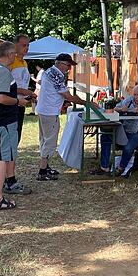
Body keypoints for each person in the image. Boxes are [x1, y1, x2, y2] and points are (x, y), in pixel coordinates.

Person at [0, 41, 31, 210]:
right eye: (14, 54)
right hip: (5, 122)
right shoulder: (4, 73)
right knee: (4, 159)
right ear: (10, 54)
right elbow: (1, 98)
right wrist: (19, 101)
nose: (16, 56)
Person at [34, 53, 95, 181]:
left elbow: (57, 93)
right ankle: (42, 171)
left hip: (43, 110)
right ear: (60, 63)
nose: (69, 69)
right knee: (50, 141)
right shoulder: (57, 75)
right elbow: (68, 96)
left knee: (44, 139)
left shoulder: (49, 71)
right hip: (50, 112)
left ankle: (46, 167)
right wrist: (87, 103)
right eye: (68, 66)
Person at [92, 84, 138, 176]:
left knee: (128, 146)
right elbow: (115, 108)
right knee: (106, 136)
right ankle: (104, 168)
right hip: (125, 130)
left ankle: (120, 168)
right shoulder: (129, 100)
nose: (135, 97)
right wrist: (121, 109)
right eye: (134, 94)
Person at [3, 34, 33, 195]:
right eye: (23, 45)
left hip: (20, 105)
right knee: (9, 143)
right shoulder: (10, 62)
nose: (26, 48)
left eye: (28, 45)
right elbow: (6, 86)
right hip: (11, 105)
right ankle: (9, 179)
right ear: (14, 46)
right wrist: (24, 91)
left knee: (14, 142)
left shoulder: (23, 62)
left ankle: (9, 177)